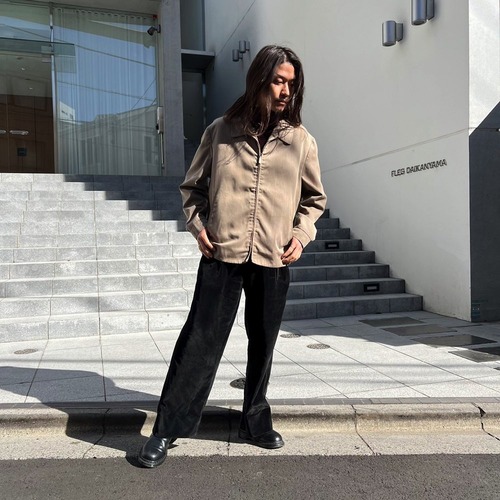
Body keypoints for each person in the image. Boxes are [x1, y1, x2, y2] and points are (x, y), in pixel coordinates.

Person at [138, 45, 327, 468]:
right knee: (199, 342)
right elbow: (192, 188)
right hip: (223, 253)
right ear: (258, 80)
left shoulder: (301, 141)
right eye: (278, 81)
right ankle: (166, 429)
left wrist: (301, 235)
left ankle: (254, 421)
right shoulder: (220, 131)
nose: (286, 91)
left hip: (274, 257)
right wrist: (198, 226)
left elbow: (315, 199)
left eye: (292, 84)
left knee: (263, 344)